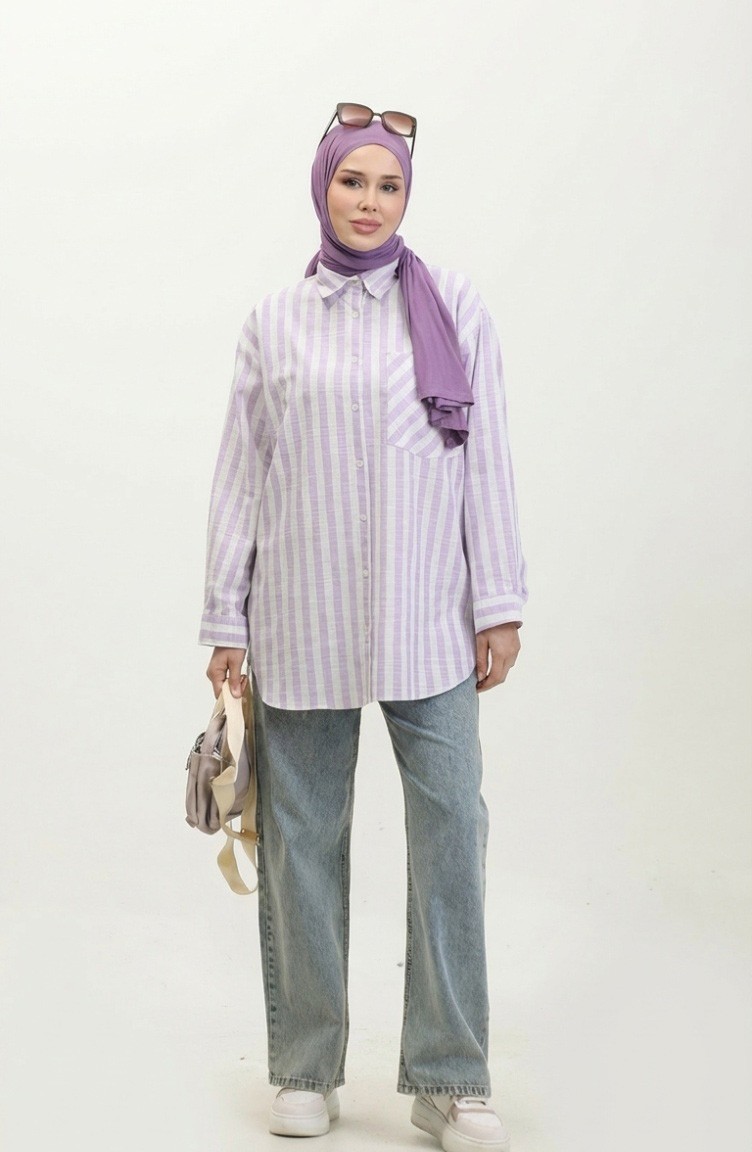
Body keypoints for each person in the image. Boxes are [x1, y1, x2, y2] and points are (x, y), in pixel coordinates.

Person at [199, 102, 527, 1152]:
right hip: (300, 618)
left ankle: (449, 1078)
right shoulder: (274, 321)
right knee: (301, 841)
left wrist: (498, 602)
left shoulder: (453, 306)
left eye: (387, 185)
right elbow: (242, 474)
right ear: (322, 185)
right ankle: (305, 1067)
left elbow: (485, 456)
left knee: (452, 832)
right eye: (352, 181)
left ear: (406, 196)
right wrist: (225, 616)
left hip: (431, 618)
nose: (368, 202)